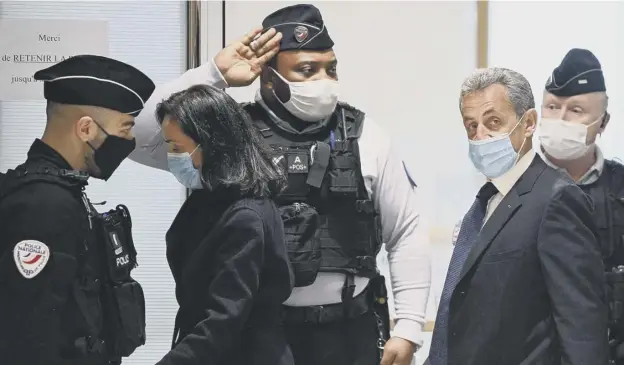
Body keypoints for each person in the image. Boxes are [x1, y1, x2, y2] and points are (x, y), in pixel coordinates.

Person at [130, 4, 430, 365]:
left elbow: (406, 232)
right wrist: (215, 74)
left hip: (349, 331)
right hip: (256, 338)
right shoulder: (227, 136)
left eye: (330, 68)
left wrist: (409, 325)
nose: (323, 80)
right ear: (268, 77)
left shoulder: (367, 136)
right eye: (306, 70)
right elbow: (135, 137)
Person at [426, 67, 608, 365]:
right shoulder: (486, 202)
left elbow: (582, 327)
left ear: (529, 123)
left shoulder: (557, 198)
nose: (480, 136)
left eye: (493, 122)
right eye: (471, 126)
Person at [0, 55, 155, 365]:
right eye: (124, 130)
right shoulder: (42, 204)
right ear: (86, 129)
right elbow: (30, 335)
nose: (128, 141)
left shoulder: (64, 191)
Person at [151, 84, 294, 365]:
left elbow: (224, 320)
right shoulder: (209, 199)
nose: (171, 158)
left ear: (212, 143)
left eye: (177, 147)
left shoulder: (245, 217)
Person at [538, 48, 624, 363]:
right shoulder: (512, 187)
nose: (560, 119)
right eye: (552, 107)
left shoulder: (619, 190)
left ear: (603, 123)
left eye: (575, 110)